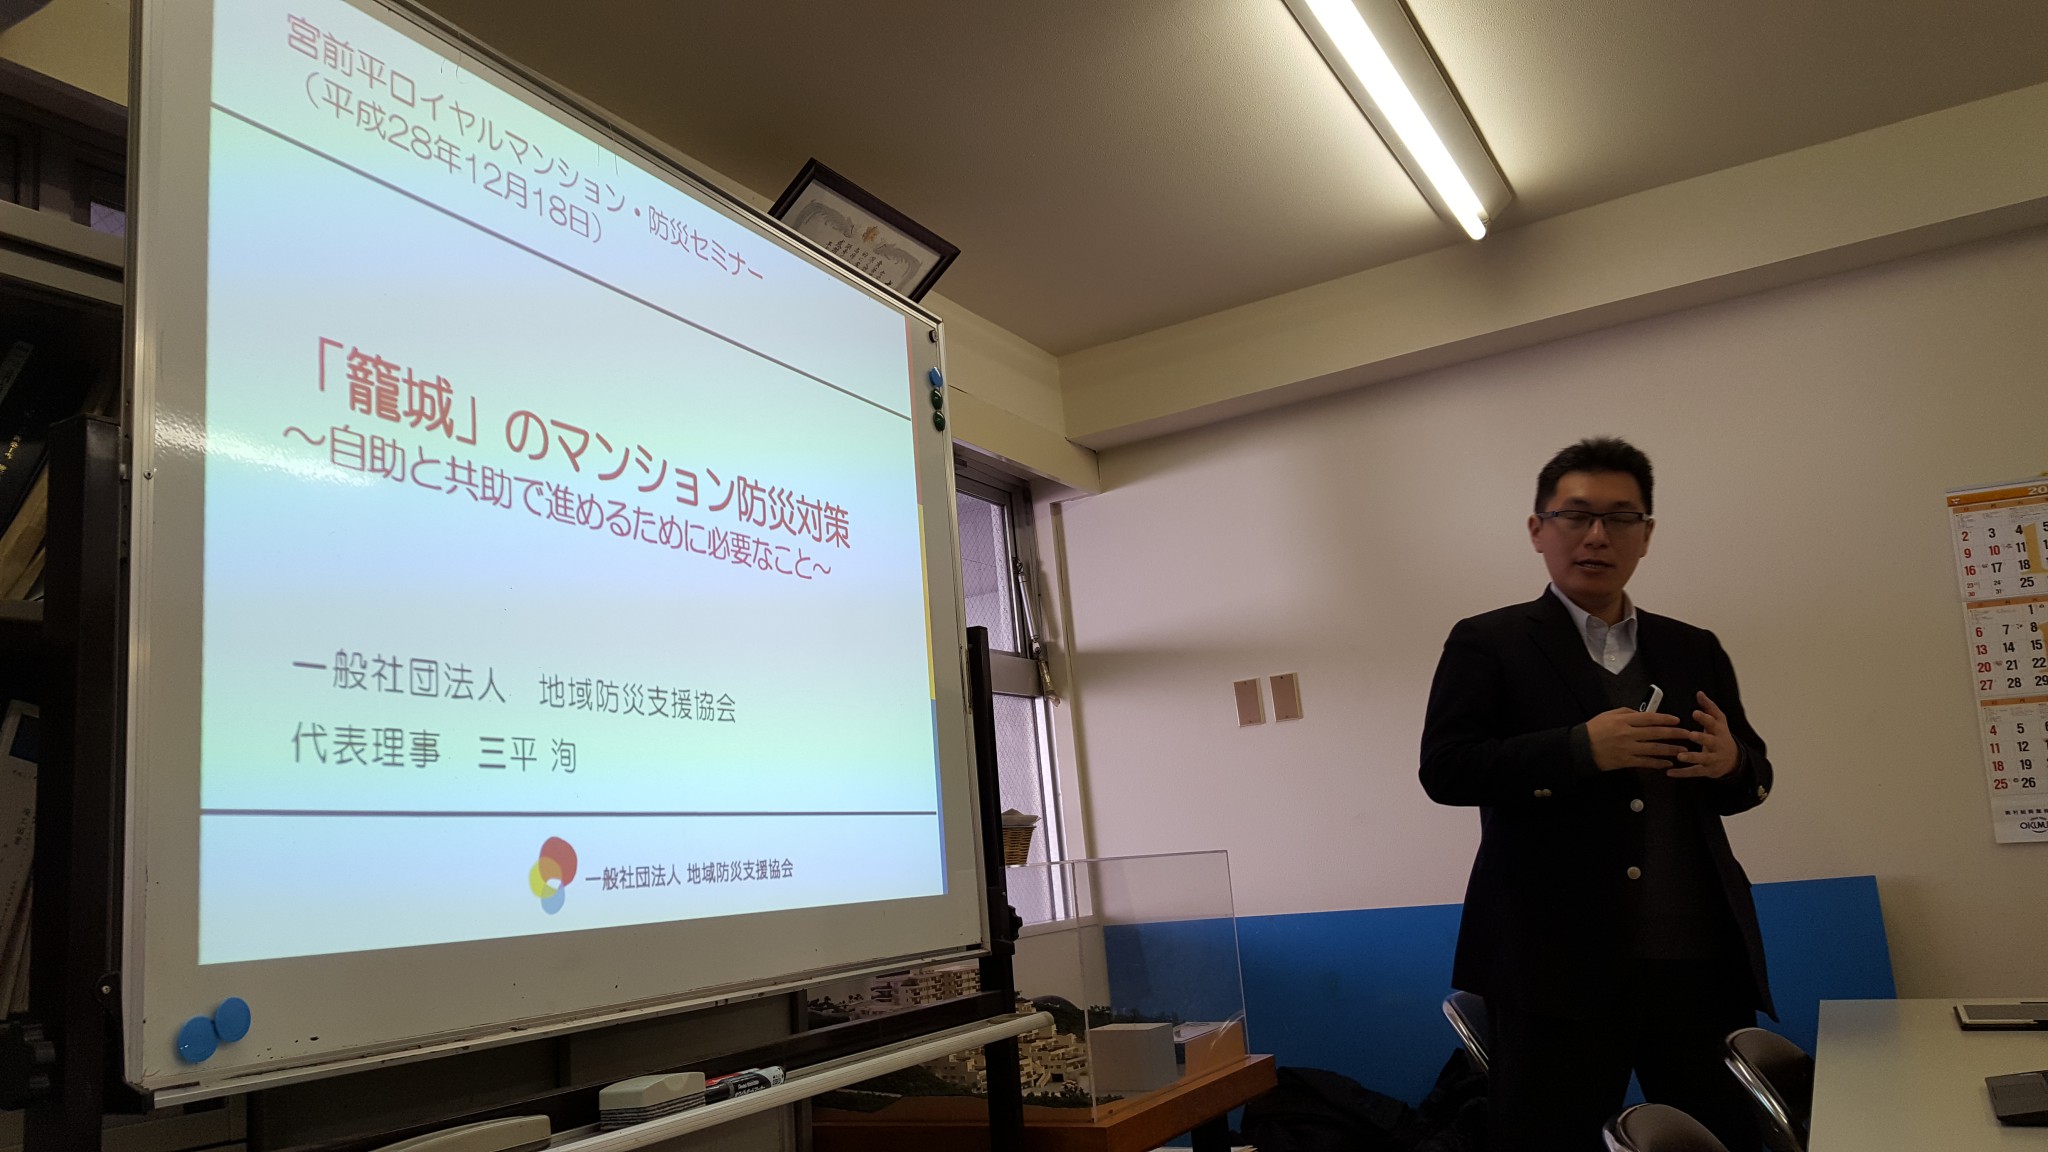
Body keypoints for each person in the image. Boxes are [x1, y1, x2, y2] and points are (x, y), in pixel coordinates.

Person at [1419, 437, 1774, 1151]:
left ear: (1646, 534)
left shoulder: (1693, 647)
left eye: (1620, 518)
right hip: (1551, 969)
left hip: (1695, 959)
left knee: (1724, 1139)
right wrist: (1579, 749)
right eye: (1576, 515)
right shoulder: (1488, 642)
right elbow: (1446, 770)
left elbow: (1751, 776)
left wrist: (1733, 762)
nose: (1597, 536)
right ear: (1537, 529)